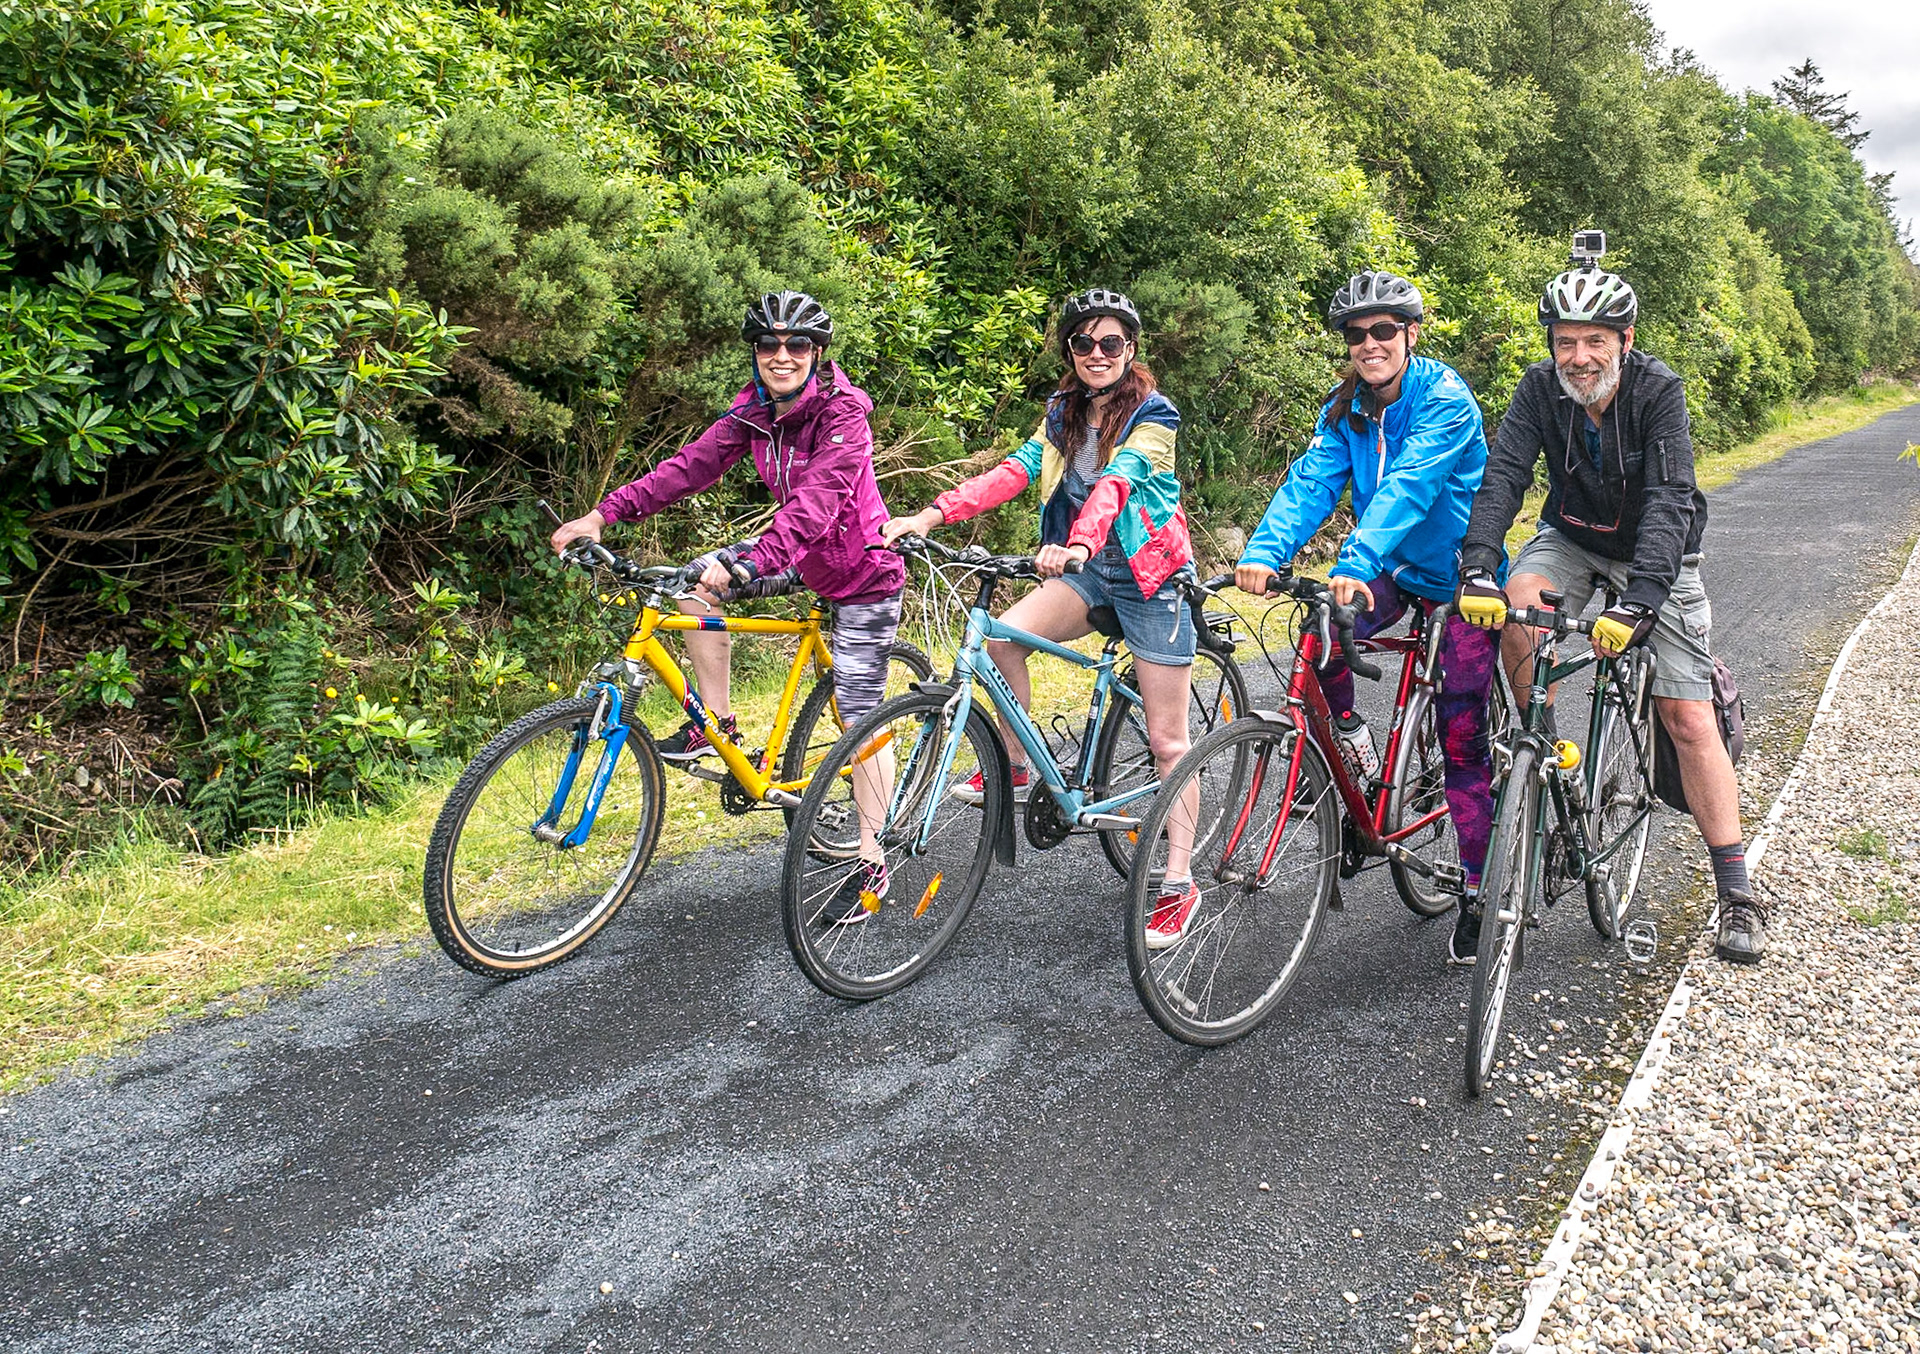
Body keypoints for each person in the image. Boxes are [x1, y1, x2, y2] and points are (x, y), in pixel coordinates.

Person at [548, 290, 904, 924]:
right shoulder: (755, 412)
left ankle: (873, 859)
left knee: (858, 714)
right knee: (690, 588)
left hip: (860, 567)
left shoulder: (845, 416)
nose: (782, 355)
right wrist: (604, 514)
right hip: (796, 554)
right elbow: (688, 469)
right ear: (757, 353)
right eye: (769, 345)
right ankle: (714, 727)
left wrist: (750, 558)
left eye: (797, 345)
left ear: (818, 354)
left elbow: (819, 504)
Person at [1454, 256, 1762, 963]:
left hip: (1659, 555)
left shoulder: (1658, 391)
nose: (1580, 356)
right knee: (1514, 610)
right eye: (1566, 341)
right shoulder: (1540, 390)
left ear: (1624, 339)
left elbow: (1670, 499)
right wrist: (1479, 565)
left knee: (1687, 716)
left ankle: (1737, 893)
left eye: (1595, 340)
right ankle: (1546, 749)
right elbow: (1504, 475)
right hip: (1571, 537)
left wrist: (1642, 602)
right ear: (1552, 345)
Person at [880, 288, 1205, 949]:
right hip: (1086, 572)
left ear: (1130, 351)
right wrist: (930, 515)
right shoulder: (1061, 413)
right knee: (1004, 641)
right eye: (1083, 343)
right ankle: (1016, 767)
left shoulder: (1155, 413)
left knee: (1170, 742)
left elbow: (1119, 480)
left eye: (1110, 343)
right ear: (1069, 352)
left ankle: (1179, 881)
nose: (1096, 354)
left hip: (1148, 575)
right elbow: (1015, 471)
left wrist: (1081, 540)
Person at [1234, 271, 1500, 965]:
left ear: (1410, 334)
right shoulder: (1347, 406)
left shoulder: (1444, 398)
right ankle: (1351, 744)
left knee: (1463, 732)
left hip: (1458, 575)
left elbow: (1413, 482)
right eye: (1357, 334)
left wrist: (1358, 555)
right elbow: (1312, 481)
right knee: (1321, 633)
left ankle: (1477, 887)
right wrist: (1263, 551)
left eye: (1384, 330)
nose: (1370, 343)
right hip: (1388, 567)